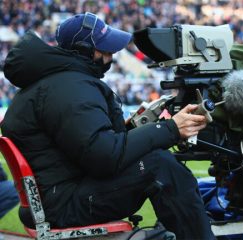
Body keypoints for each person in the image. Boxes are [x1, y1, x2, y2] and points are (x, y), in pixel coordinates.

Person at [1, 12, 214, 239]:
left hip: (56, 197)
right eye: (105, 49)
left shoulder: (56, 82)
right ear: (85, 50)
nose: (111, 54)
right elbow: (104, 158)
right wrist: (169, 129)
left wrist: (134, 130)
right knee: (159, 165)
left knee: (156, 159)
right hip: (63, 205)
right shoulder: (71, 87)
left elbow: (88, 145)